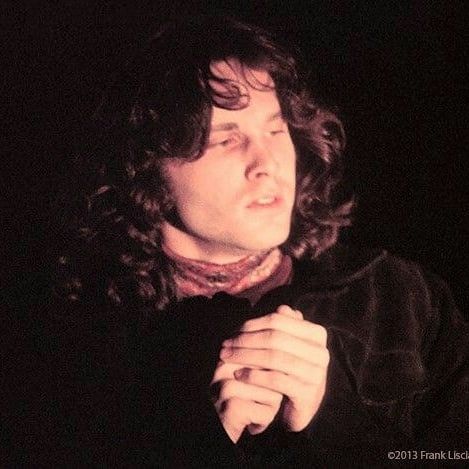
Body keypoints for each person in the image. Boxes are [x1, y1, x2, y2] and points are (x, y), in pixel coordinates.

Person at [9, 15, 468, 468]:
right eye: (226, 140)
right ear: (147, 168)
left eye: (275, 129)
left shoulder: (398, 297)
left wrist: (331, 423)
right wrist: (194, 441)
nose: (266, 163)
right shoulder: (66, 334)